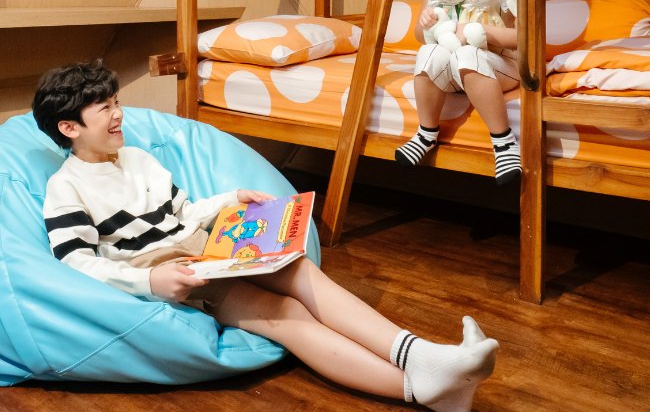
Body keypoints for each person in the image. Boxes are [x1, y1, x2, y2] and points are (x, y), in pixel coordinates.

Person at [34, 60, 498, 411]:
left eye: (117, 103)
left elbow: (184, 212)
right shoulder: (66, 188)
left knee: (299, 269)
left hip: (203, 246)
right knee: (284, 313)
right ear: (69, 127)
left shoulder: (138, 158)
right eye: (104, 109)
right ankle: (418, 387)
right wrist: (150, 282)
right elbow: (76, 263)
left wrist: (232, 198)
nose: (118, 115)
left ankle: (419, 355)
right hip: (164, 270)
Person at [395, 0, 522, 185]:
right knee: (428, 54)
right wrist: (425, 22)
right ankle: (426, 132)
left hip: (501, 67)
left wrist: (480, 33)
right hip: (451, 67)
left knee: (468, 54)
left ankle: (503, 142)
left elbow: (523, 39)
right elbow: (421, 37)